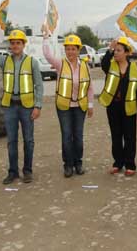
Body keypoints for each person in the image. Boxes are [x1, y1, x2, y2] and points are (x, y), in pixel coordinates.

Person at [0, 18, 44, 184]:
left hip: (27, 107)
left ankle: (27, 171)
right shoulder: (4, 61)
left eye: (18, 43)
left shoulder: (32, 63)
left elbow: (39, 86)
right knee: (11, 141)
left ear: (23, 45)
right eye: (13, 43)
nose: (15, 45)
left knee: (28, 140)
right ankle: (13, 172)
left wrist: (37, 106)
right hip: (10, 107)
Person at [42, 29, 94, 178]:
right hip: (64, 106)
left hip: (80, 107)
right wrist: (45, 37)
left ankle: (78, 163)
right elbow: (47, 55)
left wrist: (90, 106)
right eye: (67, 49)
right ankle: (68, 165)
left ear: (78, 50)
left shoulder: (85, 66)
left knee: (78, 136)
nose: (70, 52)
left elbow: (90, 87)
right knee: (66, 136)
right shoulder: (60, 64)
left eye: (73, 49)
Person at [99, 37, 137, 176]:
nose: (116, 53)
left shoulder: (135, 68)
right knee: (116, 136)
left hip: (129, 108)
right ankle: (118, 163)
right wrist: (109, 49)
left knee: (130, 137)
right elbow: (103, 64)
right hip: (113, 107)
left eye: (119, 50)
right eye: (115, 50)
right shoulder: (110, 65)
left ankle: (130, 164)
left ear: (127, 53)